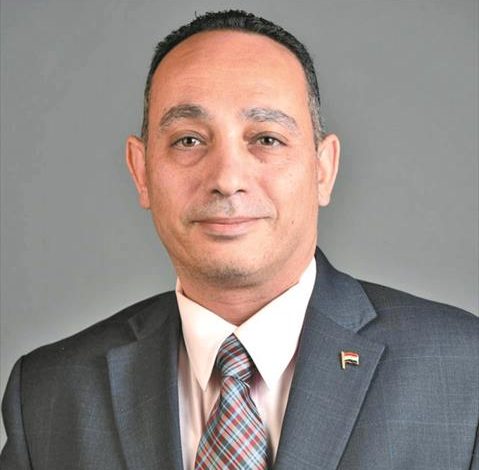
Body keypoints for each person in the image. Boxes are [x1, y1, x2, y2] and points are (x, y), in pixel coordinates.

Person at [1, 9, 478, 470]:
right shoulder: (49, 393)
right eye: (189, 140)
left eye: (266, 139)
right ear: (141, 171)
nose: (227, 179)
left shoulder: (464, 372)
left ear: (323, 169)